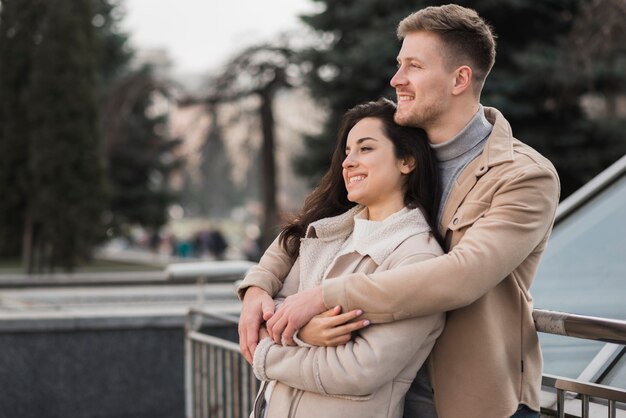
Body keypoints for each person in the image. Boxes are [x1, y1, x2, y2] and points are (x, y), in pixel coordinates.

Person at [238, 4, 560, 418]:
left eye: (414, 66)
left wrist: (323, 298)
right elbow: (319, 224)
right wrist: (259, 288)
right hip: (383, 402)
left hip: (468, 402)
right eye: (398, 64)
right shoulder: (394, 148)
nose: (396, 79)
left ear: (460, 79)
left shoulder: (523, 176)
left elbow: (462, 275)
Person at [244, 99, 445, 418]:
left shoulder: (417, 256)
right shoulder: (326, 235)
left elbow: (359, 369)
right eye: (348, 151)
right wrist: (302, 330)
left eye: (365, 149)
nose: (348, 162)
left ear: (406, 160)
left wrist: (266, 354)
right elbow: (273, 312)